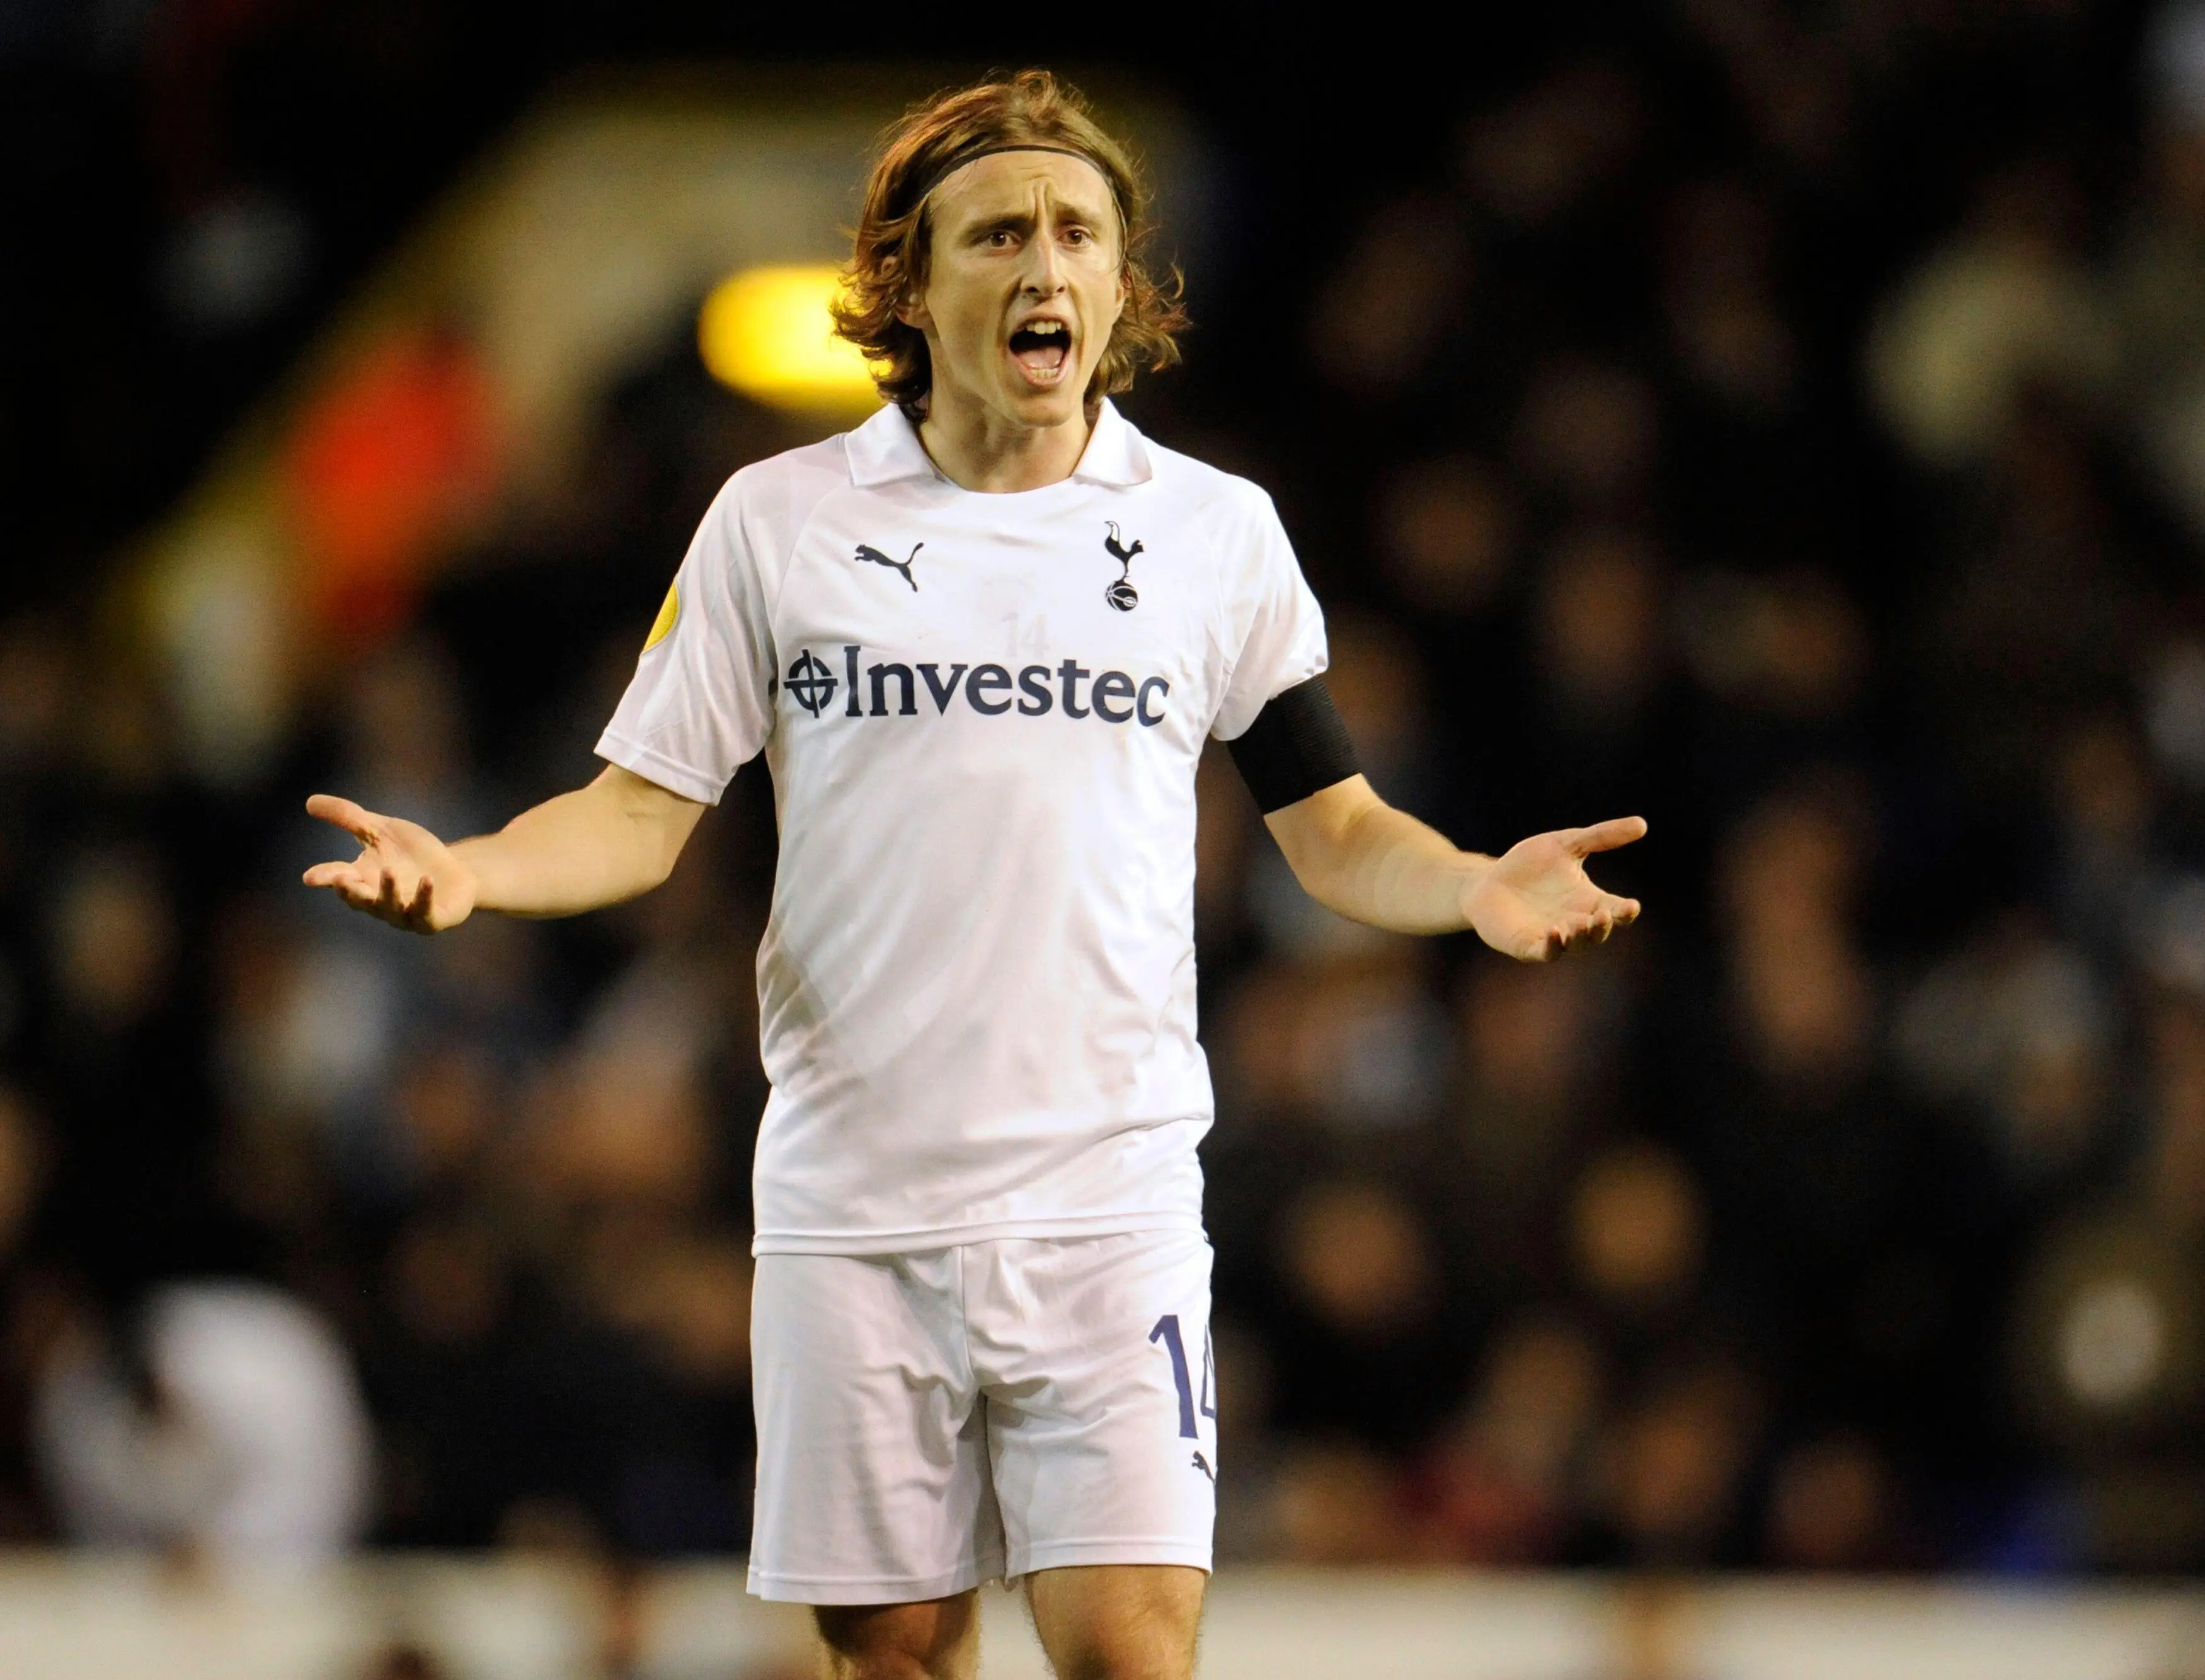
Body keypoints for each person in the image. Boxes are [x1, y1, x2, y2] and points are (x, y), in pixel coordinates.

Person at [304, 70, 1644, 1680]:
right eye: (998, 232)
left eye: (1078, 232)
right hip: (855, 1208)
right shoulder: (778, 524)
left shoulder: (1213, 534)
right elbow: (637, 813)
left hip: (1110, 1199)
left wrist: (1474, 885)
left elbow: (1333, 824)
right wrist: (472, 871)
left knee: (1130, 1650)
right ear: (908, 284)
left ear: (1121, 284)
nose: (1044, 264)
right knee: (895, 1656)